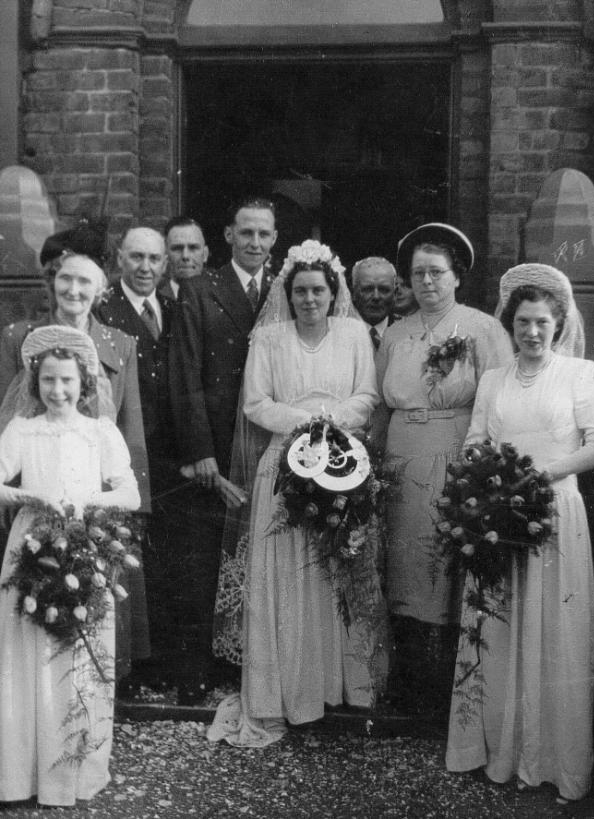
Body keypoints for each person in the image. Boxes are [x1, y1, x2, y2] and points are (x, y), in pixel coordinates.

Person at [207, 239, 381, 748]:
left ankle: (332, 687)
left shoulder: (352, 334)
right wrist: (306, 423)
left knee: (333, 571)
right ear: (289, 293)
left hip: (343, 459)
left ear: (334, 293)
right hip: (282, 463)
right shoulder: (269, 338)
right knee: (282, 574)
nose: (309, 300)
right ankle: (280, 693)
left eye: (318, 291)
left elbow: (367, 395)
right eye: (301, 291)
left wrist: (333, 425)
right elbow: (256, 403)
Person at [446, 263, 594, 804]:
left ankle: (553, 761)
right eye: (522, 323)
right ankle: (498, 751)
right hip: (498, 516)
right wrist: (482, 476)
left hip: (554, 512)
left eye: (542, 323)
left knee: (552, 626)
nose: (531, 333)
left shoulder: (580, 374)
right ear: (509, 325)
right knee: (502, 624)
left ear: (558, 324)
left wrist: (544, 474)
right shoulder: (494, 379)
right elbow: (475, 438)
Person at [0, 325, 140, 806]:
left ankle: (72, 772)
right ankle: (22, 775)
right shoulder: (23, 430)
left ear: (84, 383)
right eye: (48, 382)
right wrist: (28, 496)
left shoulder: (99, 431)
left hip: (83, 544)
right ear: (35, 384)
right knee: (28, 651)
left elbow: (129, 491)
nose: (57, 391)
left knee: (78, 652)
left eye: (67, 382)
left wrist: (83, 502)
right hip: (32, 544)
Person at [376, 223, 513, 714]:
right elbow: (377, 405)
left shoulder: (480, 328)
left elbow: (498, 399)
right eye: (418, 274)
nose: (427, 282)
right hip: (400, 456)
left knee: (445, 564)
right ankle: (408, 680)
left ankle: (449, 690)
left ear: (457, 276)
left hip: (455, 453)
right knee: (404, 566)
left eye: (437, 272)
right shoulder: (395, 332)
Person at [0, 242, 151, 680]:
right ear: (52, 283)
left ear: (101, 290)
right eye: (65, 278)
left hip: (95, 499)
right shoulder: (20, 337)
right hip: (35, 490)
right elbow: (9, 412)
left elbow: (131, 427)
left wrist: (131, 508)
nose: (73, 289)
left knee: (91, 600)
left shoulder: (119, 344)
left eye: (85, 281)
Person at [169, 197, 277, 695]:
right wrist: (200, 450)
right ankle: (196, 673)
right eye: (247, 233)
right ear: (229, 235)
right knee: (206, 557)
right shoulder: (199, 289)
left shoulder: (284, 290)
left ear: (274, 240)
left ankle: (250, 667)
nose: (255, 243)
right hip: (216, 442)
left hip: (262, 439)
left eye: (264, 235)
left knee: (258, 553)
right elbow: (185, 373)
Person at [96, 227, 182, 690]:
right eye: (136, 258)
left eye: (153, 258)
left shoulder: (171, 307)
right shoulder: (103, 309)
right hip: (129, 448)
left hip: (169, 455)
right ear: (120, 259)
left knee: (165, 559)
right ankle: (130, 666)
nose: (145, 267)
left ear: (165, 262)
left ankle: (160, 659)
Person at [351, 256, 398, 350]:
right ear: (353, 293)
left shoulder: (408, 332)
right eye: (367, 289)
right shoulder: (338, 333)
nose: (376, 297)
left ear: (395, 293)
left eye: (384, 290)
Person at [162, 216, 210, 300]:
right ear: (166, 255)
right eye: (177, 248)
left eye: (193, 248)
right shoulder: (154, 299)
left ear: (205, 254)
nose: (185, 256)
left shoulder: (222, 298)